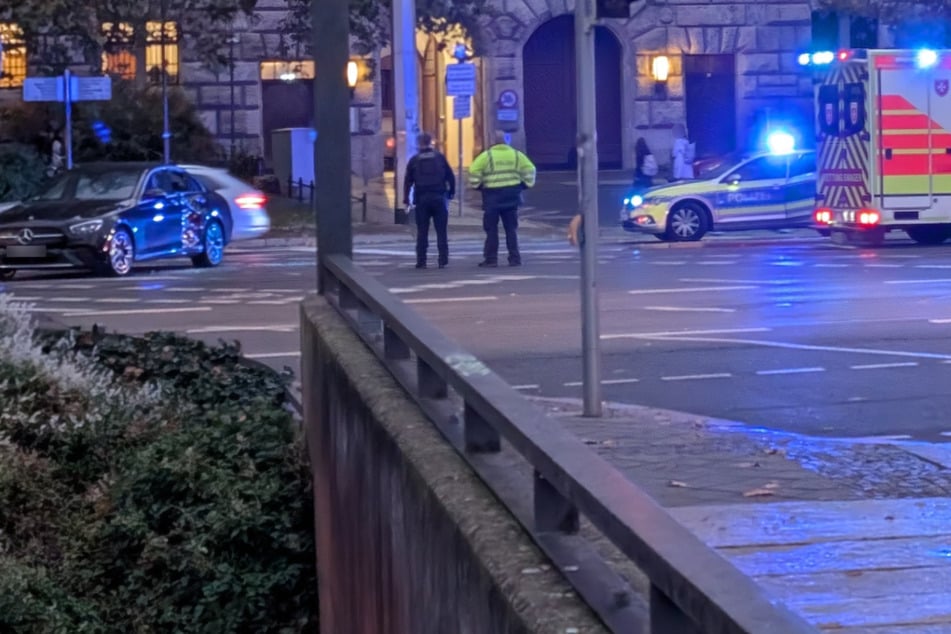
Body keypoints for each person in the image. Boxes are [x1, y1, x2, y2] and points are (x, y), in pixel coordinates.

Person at [468, 131, 536, 267]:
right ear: (507, 142)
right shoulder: (517, 155)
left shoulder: (486, 156)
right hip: (512, 197)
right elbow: (530, 169)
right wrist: (525, 184)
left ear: (493, 142)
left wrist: (478, 185)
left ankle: (491, 259)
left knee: (491, 230)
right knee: (511, 229)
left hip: (492, 197)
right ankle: (515, 258)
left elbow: (474, 171)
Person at [403, 132, 455, 269]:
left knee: (422, 232)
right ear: (431, 142)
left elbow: (407, 181)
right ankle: (443, 259)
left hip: (421, 199)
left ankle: (421, 261)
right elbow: (451, 176)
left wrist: (406, 199)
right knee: (441, 231)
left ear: (419, 143)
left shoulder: (414, 160)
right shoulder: (439, 158)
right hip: (439, 198)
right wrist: (451, 193)